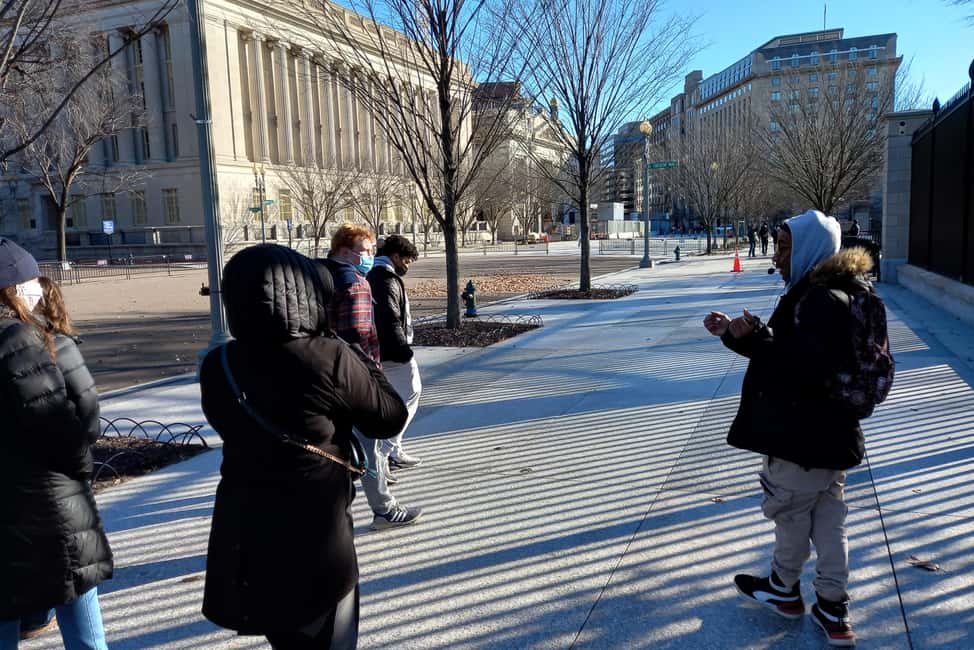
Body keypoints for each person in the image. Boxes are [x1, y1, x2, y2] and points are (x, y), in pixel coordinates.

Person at [200, 244, 408, 648]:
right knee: (330, 634)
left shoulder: (219, 363)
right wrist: (360, 358)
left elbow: (225, 423)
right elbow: (389, 417)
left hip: (247, 528)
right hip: (315, 533)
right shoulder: (328, 357)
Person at [703, 210, 875, 647]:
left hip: (801, 433)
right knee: (829, 519)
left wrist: (758, 337)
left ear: (810, 250)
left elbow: (799, 368)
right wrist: (739, 334)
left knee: (791, 514)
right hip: (833, 433)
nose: (777, 257)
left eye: (784, 248)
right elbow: (794, 355)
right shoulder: (843, 291)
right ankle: (833, 607)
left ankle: (784, 588)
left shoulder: (815, 300)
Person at [0, 238, 112, 649]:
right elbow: (70, 425)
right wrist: (80, 465)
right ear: (16, 289)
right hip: (50, 503)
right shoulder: (28, 341)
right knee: (82, 623)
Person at [320, 224, 424, 530]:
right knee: (372, 443)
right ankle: (385, 510)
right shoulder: (355, 284)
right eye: (365, 251)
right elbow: (356, 338)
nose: (370, 256)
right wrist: (373, 379)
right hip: (354, 378)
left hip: (324, 375)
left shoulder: (320, 275)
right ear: (344, 251)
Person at [367, 235, 423, 473]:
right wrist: (403, 351)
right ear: (395, 256)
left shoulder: (377, 275)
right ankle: (386, 450)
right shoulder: (386, 280)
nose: (407, 266)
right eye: (406, 261)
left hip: (382, 350)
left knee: (394, 399)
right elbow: (389, 320)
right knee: (411, 392)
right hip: (393, 351)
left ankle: (392, 450)